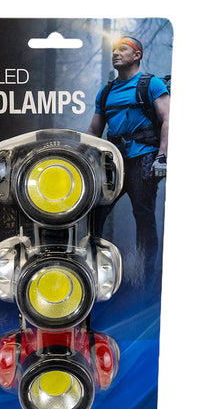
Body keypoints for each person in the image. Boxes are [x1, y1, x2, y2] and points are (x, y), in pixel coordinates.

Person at [87, 36, 170, 292]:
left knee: (143, 216)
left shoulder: (151, 84)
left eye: (122, 49)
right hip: (113, 161)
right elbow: (94, 130)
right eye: (113, 49)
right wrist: (76, 155)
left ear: (137, 55)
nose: (116, 53)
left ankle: (145, 277)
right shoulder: (106, 92)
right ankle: (94, 270)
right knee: (96, 213)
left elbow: (168, 120)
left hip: (144, 157)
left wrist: (162, 156)